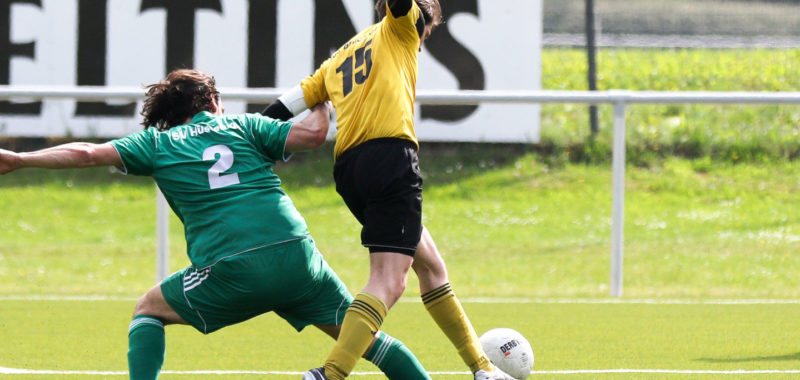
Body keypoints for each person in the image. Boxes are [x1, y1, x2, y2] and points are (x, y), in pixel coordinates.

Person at [0, 69, 431, 380]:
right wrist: (320, 97)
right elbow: (313, 135)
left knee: (148, 309)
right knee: (366, 339)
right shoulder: (243, 125)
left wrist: (19, 160)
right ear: (210, 103)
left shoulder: (156, 143)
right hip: (296, 255)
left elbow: (87, 154)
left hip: (233, 267)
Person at [262, 1, 515, 379]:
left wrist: (240, 133)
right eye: (425, 35)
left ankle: (482, 368)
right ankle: (329, 374)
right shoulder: (400, 28)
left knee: (431, 266)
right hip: (389, 158)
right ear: (421, 20)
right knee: (388, 281)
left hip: (350, 169)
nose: (421, 43)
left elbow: (284, 107)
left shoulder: (340, 58)